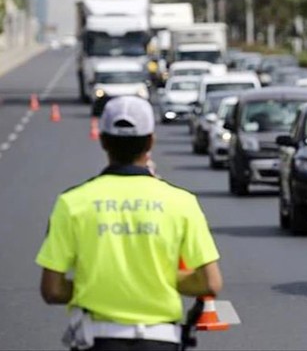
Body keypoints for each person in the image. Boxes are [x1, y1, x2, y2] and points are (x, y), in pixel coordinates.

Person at [36, 96, 223, 351]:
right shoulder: (182, 202)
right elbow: (210, 283)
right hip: (162, 339)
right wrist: (156, 278)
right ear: (150, 142)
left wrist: (98, 284)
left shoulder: (72, 203)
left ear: (102, 140)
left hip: (97, 340)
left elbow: (52, 289)